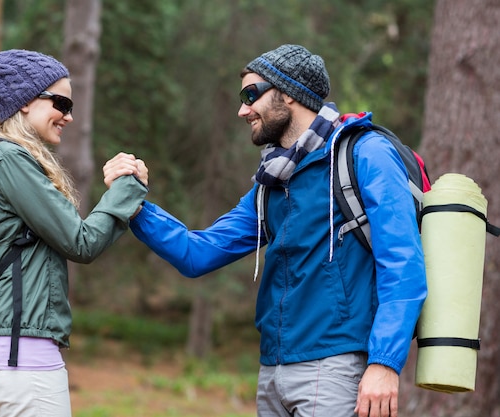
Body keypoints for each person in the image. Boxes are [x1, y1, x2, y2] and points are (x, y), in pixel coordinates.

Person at [107, 44, 427, 417]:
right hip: (273, 374)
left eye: (250, 95)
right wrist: (134, 204)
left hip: (337, 367)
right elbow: (198, 253)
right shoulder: (271, 183)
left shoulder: (365, 153)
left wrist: (385, 363)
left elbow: (402, 265)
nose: (242, 109)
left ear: (287, 93)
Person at [0, 49, 148, 417]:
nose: (69, 116)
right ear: (26, 102)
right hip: (21, 354)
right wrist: (128, 187)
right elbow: (81, 241)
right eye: (61, 103)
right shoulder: (8, 159)